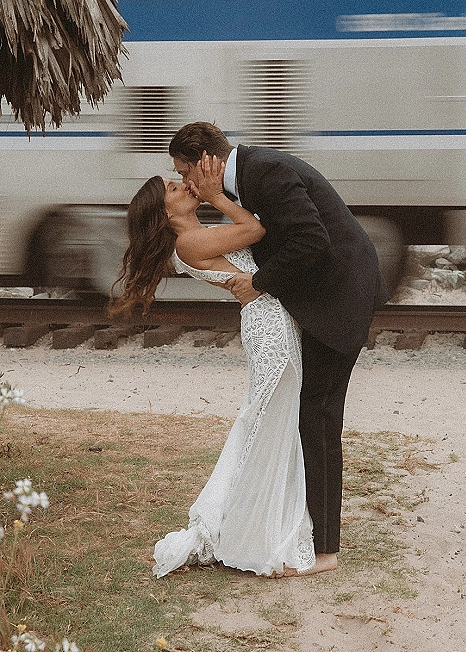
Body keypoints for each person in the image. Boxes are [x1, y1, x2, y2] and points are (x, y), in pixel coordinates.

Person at [169, 122, 389, 575]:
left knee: (318, 416)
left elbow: (311, 239)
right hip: (321, 301)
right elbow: (275, 236)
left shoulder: (264, 173)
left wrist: (258, 282)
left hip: (337, 300)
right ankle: (307, 533)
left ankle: (325, 552)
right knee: (309, 415)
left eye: (182, 171)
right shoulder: (252, 176)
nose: (184, 182)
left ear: (204, 163)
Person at [109, 156, 316, 577]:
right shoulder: (189, 244)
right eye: (173, 188)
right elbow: (256, 228)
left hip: (271, 321)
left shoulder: (197, 236)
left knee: (266, 423)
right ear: (166, 213)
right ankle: (250, 531)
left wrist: (215, 196)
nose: (183, 185)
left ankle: (250, 522)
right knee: (265, 424)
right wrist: (216, 195)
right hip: (267, 326)